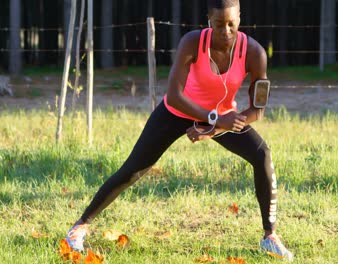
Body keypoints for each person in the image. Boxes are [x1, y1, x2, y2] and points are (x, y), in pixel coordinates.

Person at [65, 0, 293, 260]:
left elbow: (258, 109)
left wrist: (215, 127)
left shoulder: (255, 53)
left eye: (231, 24)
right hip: (177, 113)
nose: (226, 31)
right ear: (209, 20)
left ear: (240, 18)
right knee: (133, 170)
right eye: (219, 25)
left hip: (222, 117)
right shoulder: (192, 42)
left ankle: (270, 236)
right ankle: (79, 227)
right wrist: (213, 119)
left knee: (262, 154)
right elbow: (174, 96)